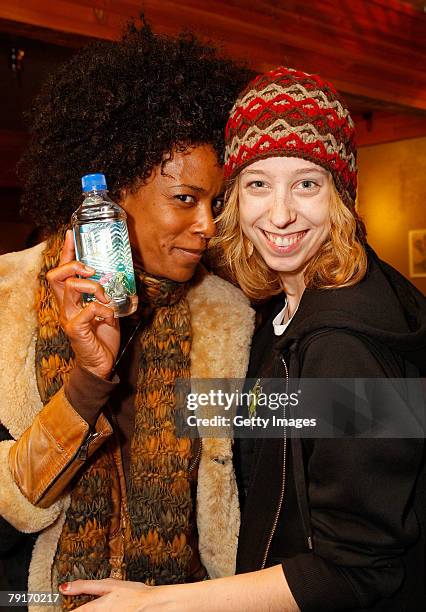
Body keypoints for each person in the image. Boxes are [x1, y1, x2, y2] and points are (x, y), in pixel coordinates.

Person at [55, 67, 425, 611]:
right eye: (257, 184)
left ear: (341, 195)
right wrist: (109, 375)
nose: (279, 214)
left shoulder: (347, 344)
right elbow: (283, 433)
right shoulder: (286, 309)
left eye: (306, 183)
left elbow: (359, 570)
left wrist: (158, 605)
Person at [0, 24, 255, 611]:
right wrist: (88, 382)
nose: (208, 226)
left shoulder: (227, 317)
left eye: (216, 203)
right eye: (185, 199)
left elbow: (293, 434)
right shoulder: (10, 301)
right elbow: (11, 506)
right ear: (111, 196)